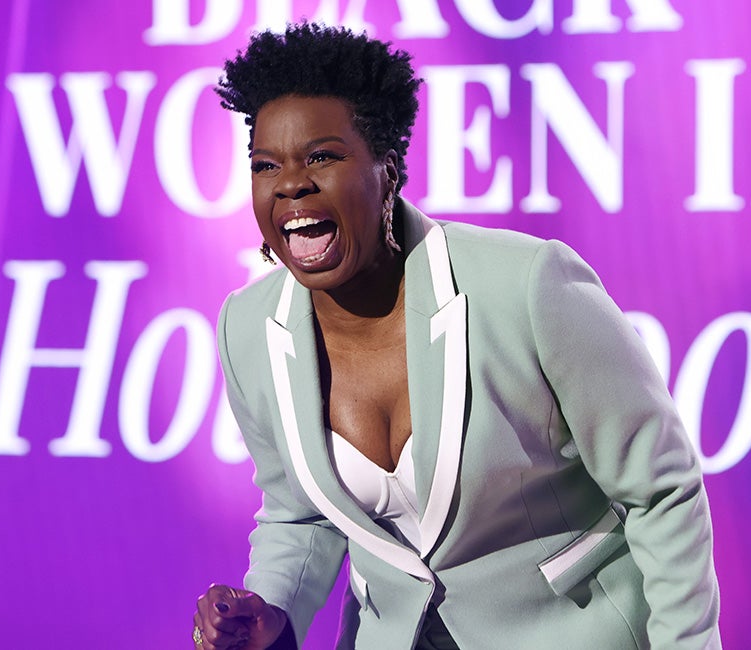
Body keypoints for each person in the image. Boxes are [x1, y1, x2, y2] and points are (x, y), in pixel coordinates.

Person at [194, 23, 721, 650]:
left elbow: (660, 491)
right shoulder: (247, 328)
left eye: (322, 157)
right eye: (266, 165)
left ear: (388, 171)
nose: (290, 184)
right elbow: (300, 513)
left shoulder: (526, 285)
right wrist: (269, 612)